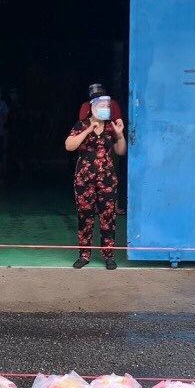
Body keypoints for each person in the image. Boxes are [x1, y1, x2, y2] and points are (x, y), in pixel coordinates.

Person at [64, 94, 126, 270]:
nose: (105, 108)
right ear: (92, 107)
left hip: (107, 178)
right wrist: (87, 130)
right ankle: (84, 254)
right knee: (85, 215)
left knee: (108, 216)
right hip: (84, 178)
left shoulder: (111, 127)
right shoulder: (81, 125)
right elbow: (69, 145)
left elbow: (120, 151)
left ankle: (108, 255)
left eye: (107, 105)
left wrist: (120, 135)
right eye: (101, 105)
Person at [78, 83, 126, 215]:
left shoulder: (112, 104)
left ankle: (113, 207)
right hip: (91, 146)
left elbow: (118, 120)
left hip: (108, 145)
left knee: (111, 178)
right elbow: (82, 121)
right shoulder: (86, 105)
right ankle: (94, 206)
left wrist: (118, 134)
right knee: (89, 182)